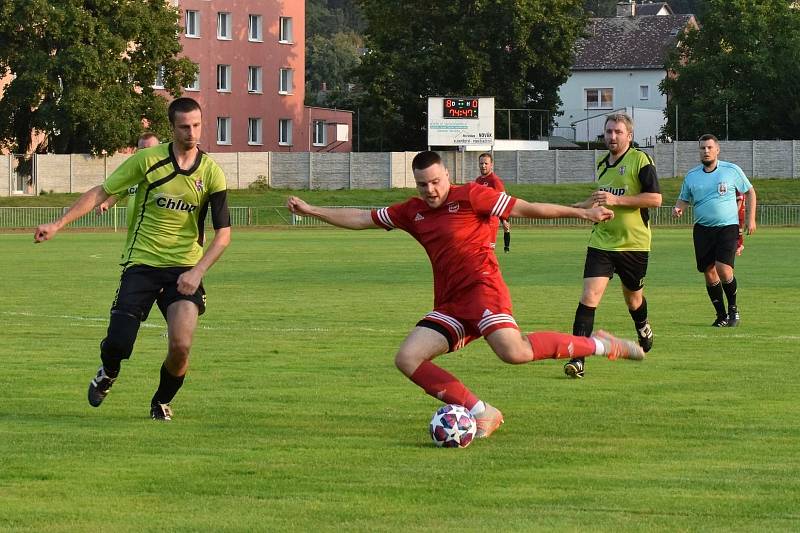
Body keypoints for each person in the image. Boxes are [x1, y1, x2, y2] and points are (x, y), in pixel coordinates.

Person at [286, 150, 645, 440]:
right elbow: (363, 217)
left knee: (514, 352)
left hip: (484, 291)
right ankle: (482, 412)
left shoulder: (472, 196)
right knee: (408, 358)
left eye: (436, 181)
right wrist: (312, 210)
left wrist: (580, 213)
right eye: (423, 184)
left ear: (447, 176)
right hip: (451, 304)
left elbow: (526, 208)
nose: (431, 190)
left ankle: (601, 344)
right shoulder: (412, 211)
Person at [34, 97, 232, 421]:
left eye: (196, 125)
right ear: (172, 127)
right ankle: (108, 372)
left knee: (181, 345)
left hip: (184, 269)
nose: (192, 132)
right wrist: (58, 223)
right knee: (119, 343)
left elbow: (224, 234)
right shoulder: (148, 160)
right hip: (141, 264)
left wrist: (197, 271)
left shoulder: (211, 173)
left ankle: (161, 401)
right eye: (184, 126)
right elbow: (102, 191)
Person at [563, 113, 662, 379]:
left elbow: (655, 199)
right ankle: (578, 358)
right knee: (589, 297)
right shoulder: (601, 164)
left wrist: (617, 202)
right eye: (608, 132)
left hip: (634, 244)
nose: (612, 136)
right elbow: (599, 199)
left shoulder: (641, 160)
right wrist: (575, 208)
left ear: (629, 136)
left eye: (618, 132)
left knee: (633, 299)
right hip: (602, 241)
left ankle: (642, 326)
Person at [672, 133, 756, 327]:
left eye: (710, 147)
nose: (706, 151)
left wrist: (750, 219)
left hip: (727, 227)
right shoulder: (692, 176)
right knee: (709, 273)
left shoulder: (731, 170)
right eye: (703, 148)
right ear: (699, 151)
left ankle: (733, 310)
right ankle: (721, 316)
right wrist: (678, 209)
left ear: (717, 149)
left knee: (723, 269)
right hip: (702, 230)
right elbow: (684, 198)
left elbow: (750, 191)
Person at [95, 132, 160, 218]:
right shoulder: (133, 174)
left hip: (154, 229)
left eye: (150, 150)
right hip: (133, 229)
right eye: (142, 150)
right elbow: (118, 194)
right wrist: (106, 203)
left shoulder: (167, 173)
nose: (145, 155)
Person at [475, 152, 511, 252]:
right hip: (479, 222)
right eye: (481, 163)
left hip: (490, 222)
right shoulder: (478, 180)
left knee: (488, 251)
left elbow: (504, 201)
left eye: (486, 163)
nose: (483, 166)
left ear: (491, 165)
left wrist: (504, 220)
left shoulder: (495, 181)